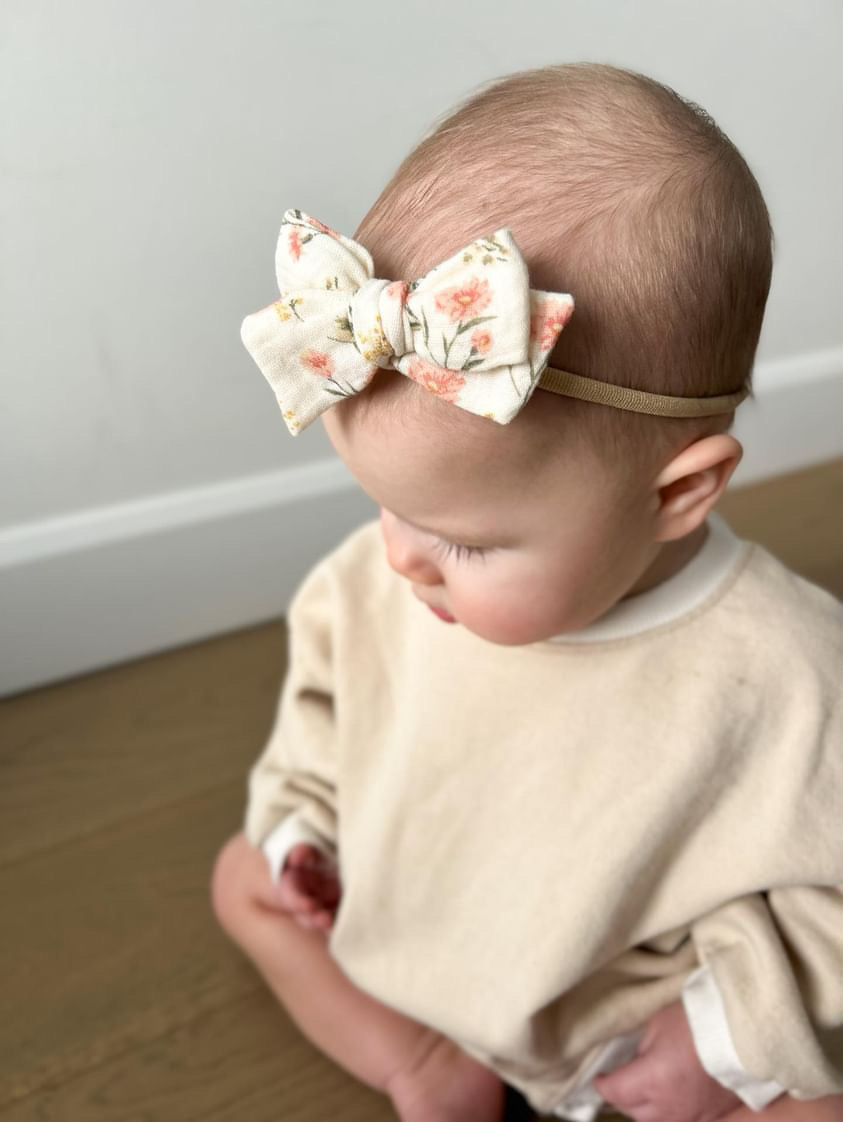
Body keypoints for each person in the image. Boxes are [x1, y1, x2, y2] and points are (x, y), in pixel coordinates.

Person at [211, 63, 843, 1122]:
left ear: (677, 494)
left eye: (460, 541)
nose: (400, 556)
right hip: (400, 931)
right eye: (386, 506)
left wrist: (724, 1038)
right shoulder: (372, 585)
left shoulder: (786, 675)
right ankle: (423, 1063)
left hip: (622, 1027)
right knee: (243, 876)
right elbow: (320, 725)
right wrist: (303, 836)